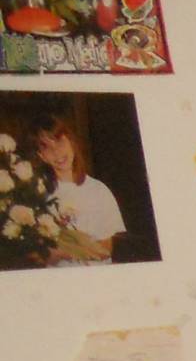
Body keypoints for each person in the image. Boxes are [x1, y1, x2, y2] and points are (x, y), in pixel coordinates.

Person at [27, 112, 124, 265]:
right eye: (47, 147)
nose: (56, 152)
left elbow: (105, 250)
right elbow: (33, 253)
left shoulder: (98, 190)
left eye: (59, 142)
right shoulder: (38, 194)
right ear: (41, 156)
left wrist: (63, 251)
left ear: (71, 141)